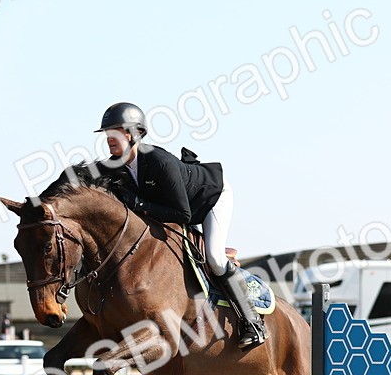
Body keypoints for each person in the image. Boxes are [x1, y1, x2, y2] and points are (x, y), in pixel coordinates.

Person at [80, 102, 267, 348]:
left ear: (133, 133)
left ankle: (252, 321)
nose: (109, 138)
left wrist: (140, 204)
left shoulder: (159, 161)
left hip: (210, 198)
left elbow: (183, 214)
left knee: (213, 258)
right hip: (175, 206)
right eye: (107, 133)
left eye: (115, 132)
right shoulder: (113, 166)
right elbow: (81, 178)